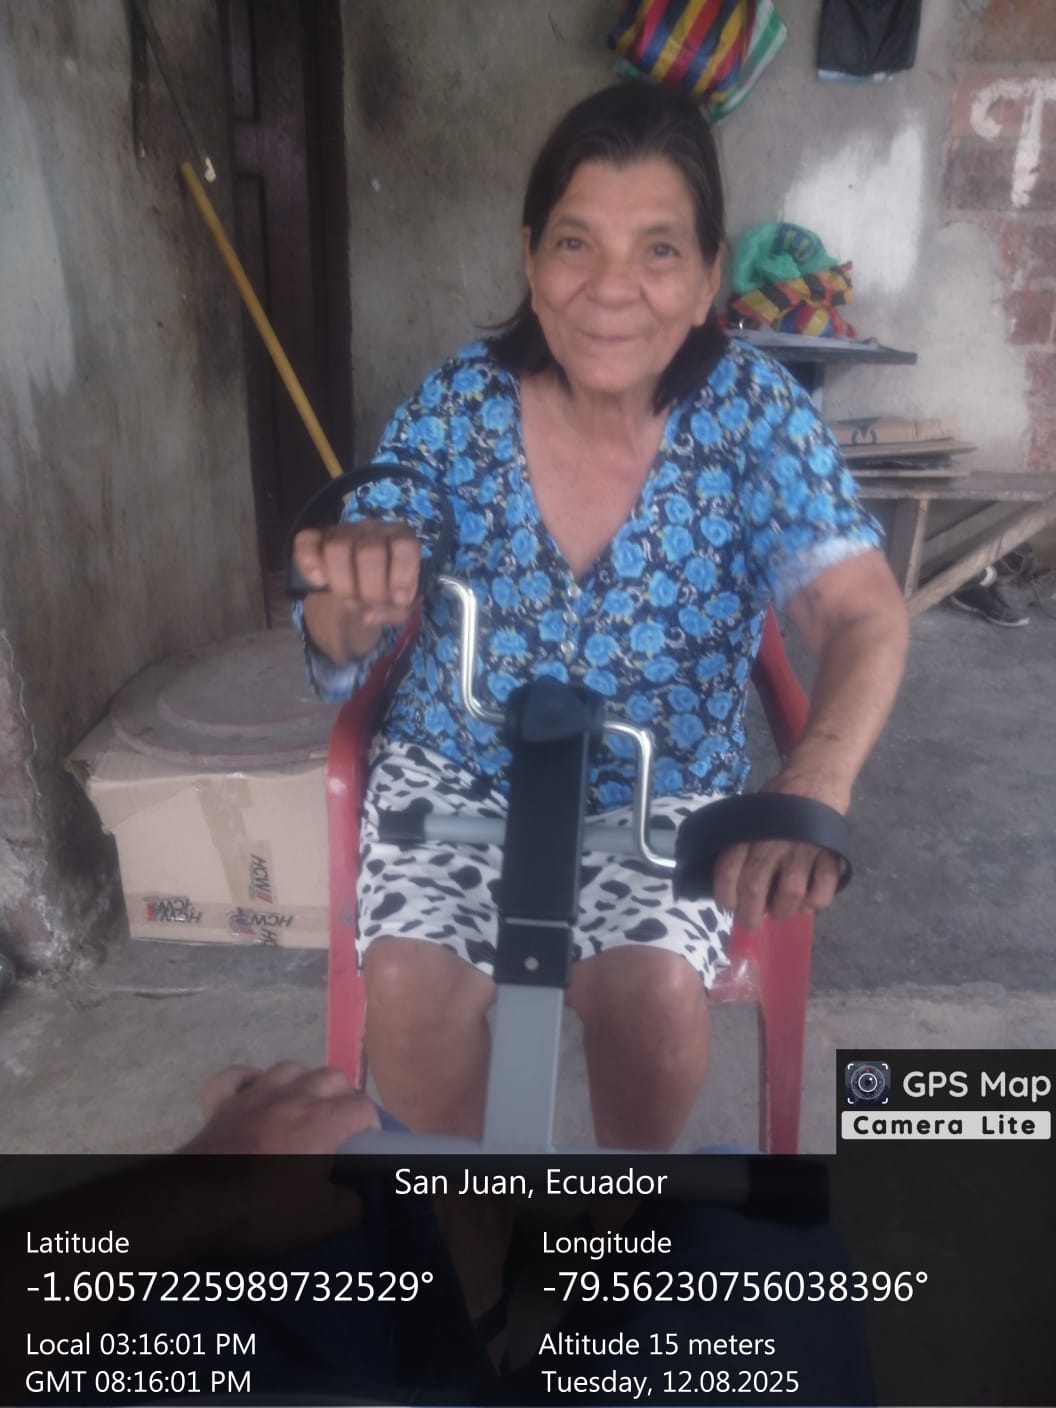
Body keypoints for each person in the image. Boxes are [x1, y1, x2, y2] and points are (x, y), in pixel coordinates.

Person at [292, 83, 909, 1151]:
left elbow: (863, 614)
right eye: (576, 243)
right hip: (457, 773)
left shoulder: (757, 420)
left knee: (653, 1006)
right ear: (532, 260)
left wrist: (815, 774)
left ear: (710, 276)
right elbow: (342, 637)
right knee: (408, 990)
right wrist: (345, 602)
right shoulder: (457, 407)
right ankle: (473, 1234)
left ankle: (614, 1226)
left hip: (661, 787)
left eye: (658, 251)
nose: (611, 289)